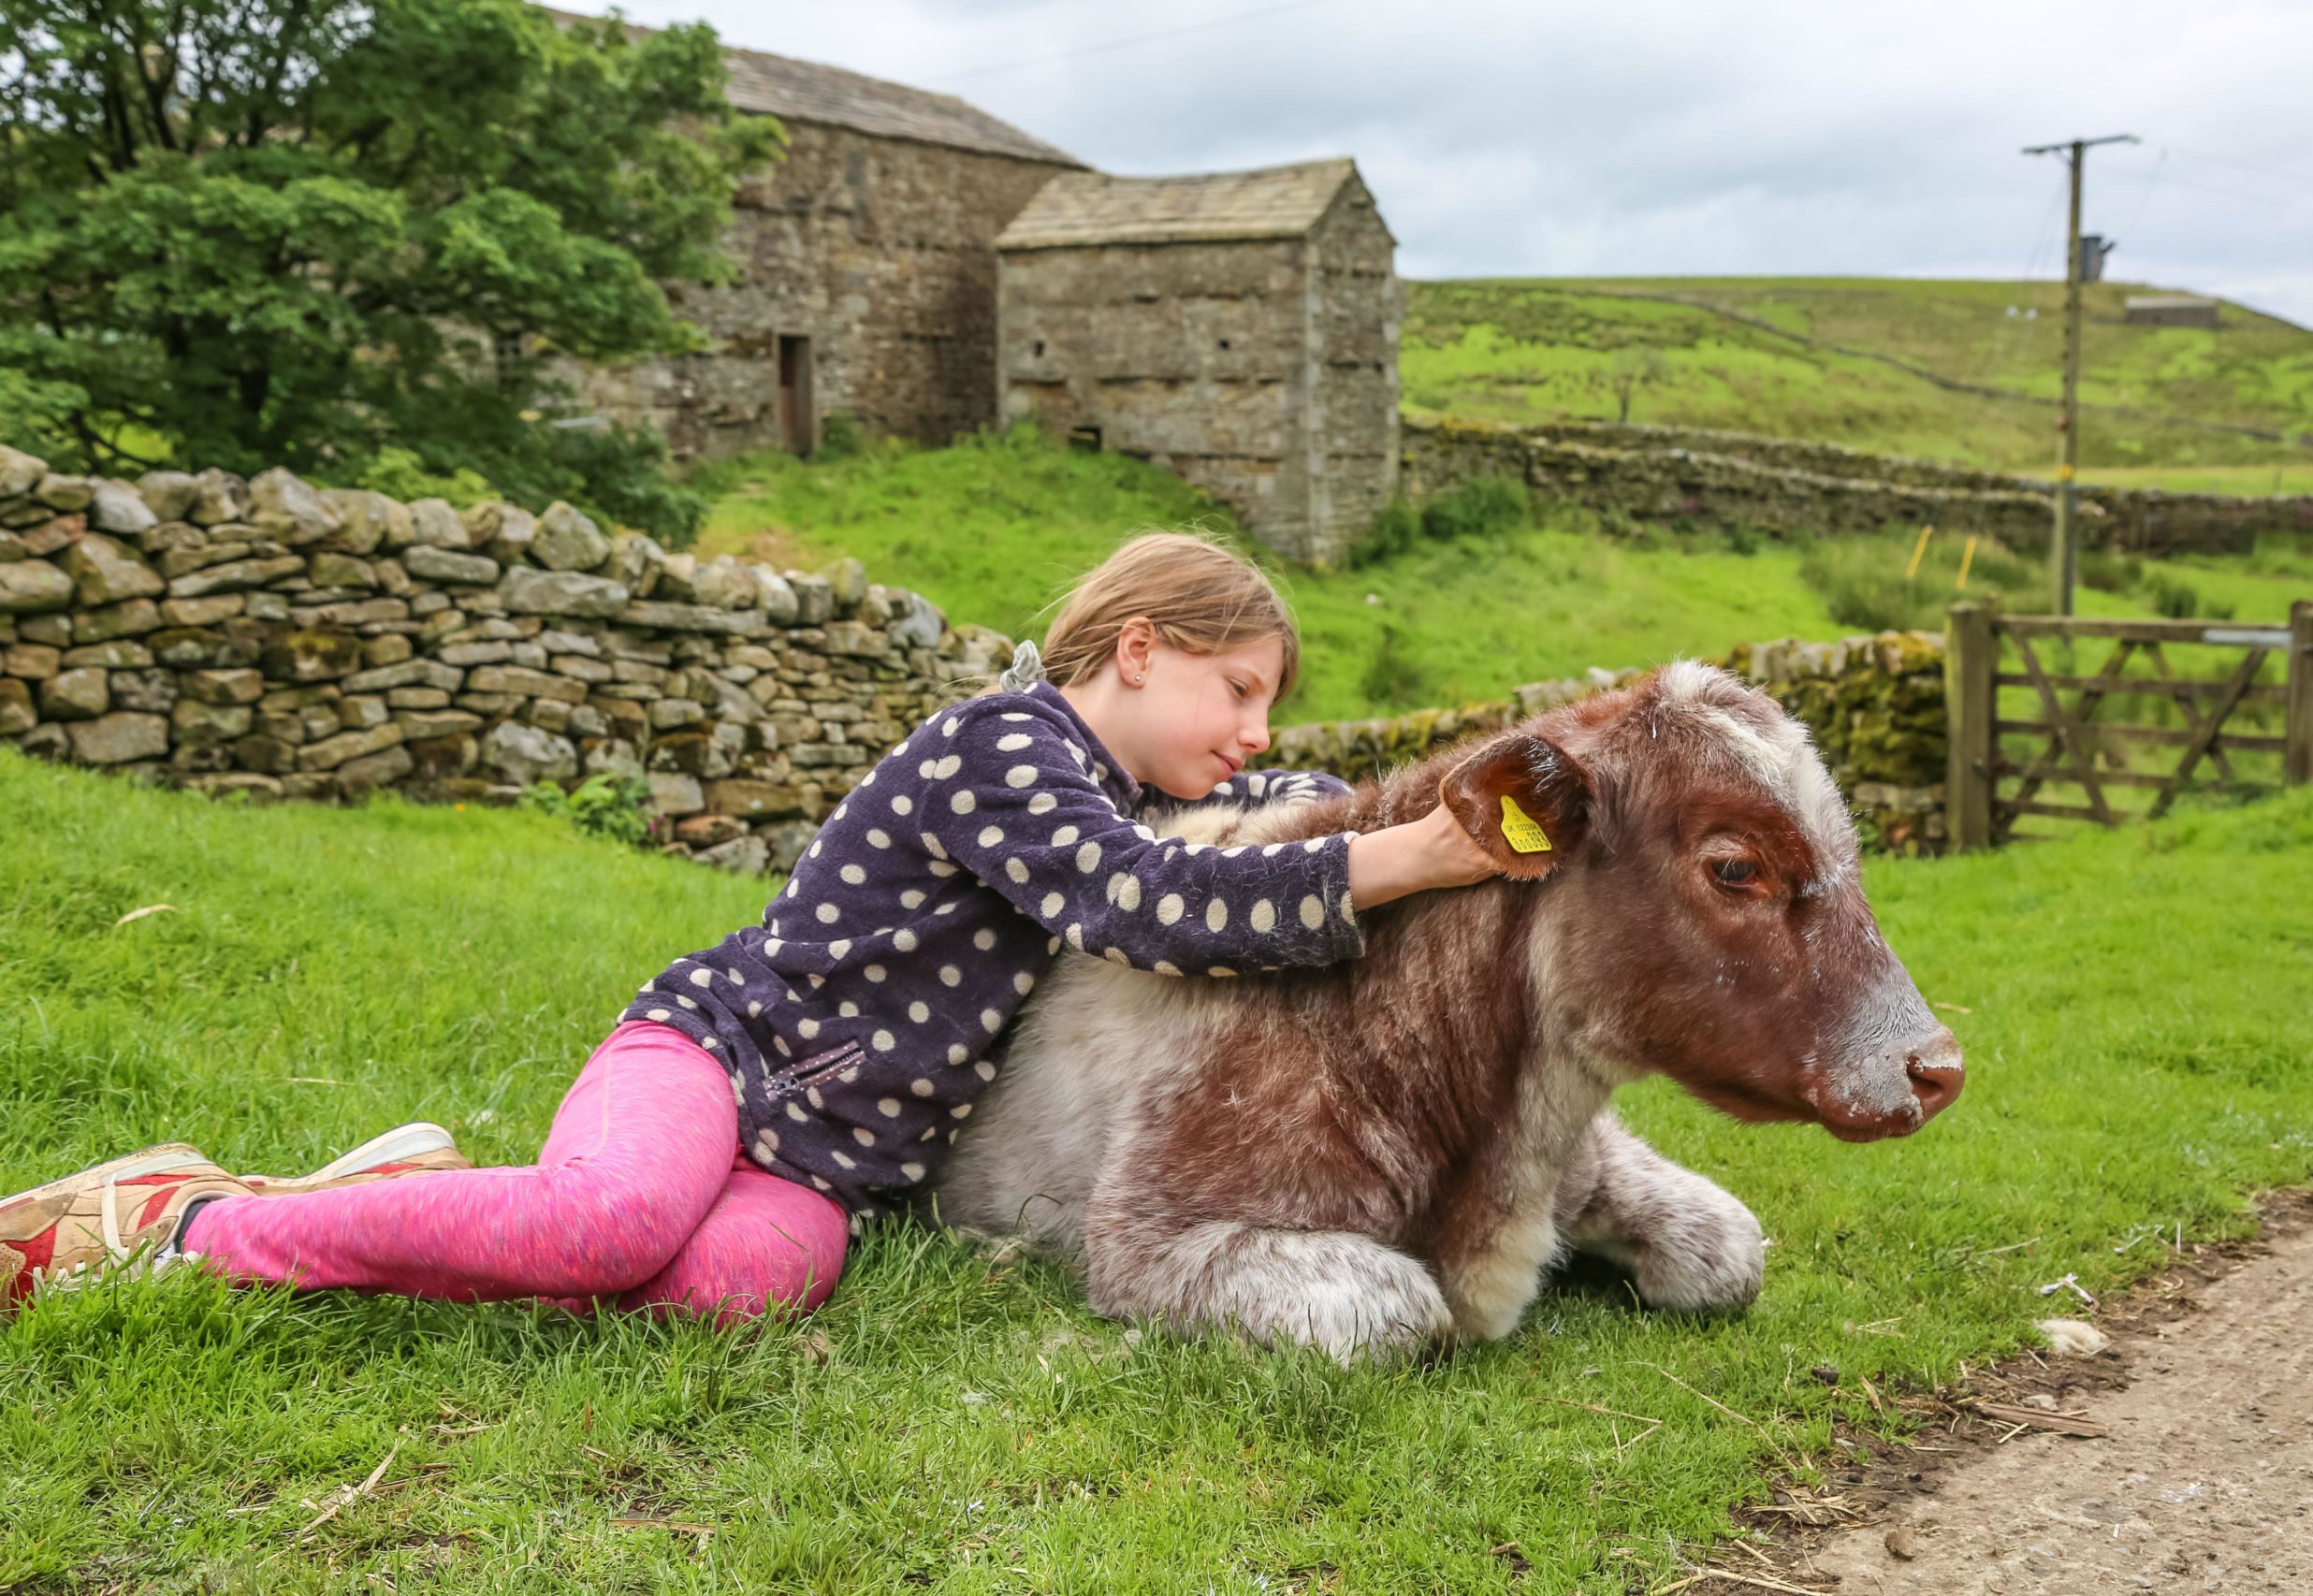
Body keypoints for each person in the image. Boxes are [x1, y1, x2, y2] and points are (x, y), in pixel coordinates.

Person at [1, 531, 1500, 1322]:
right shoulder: (1009, 747)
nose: (1256, 731)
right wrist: (1407, 855)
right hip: (723, 1056)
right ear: (1140, 647)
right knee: (605, 1228)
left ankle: (410, 1195)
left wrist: (1439, 819)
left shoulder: (1129, 797)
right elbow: (1136, 904)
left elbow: (1293, 807)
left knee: (726, 1291)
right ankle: (186, 1226)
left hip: (830, 1165)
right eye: (1240, 689)